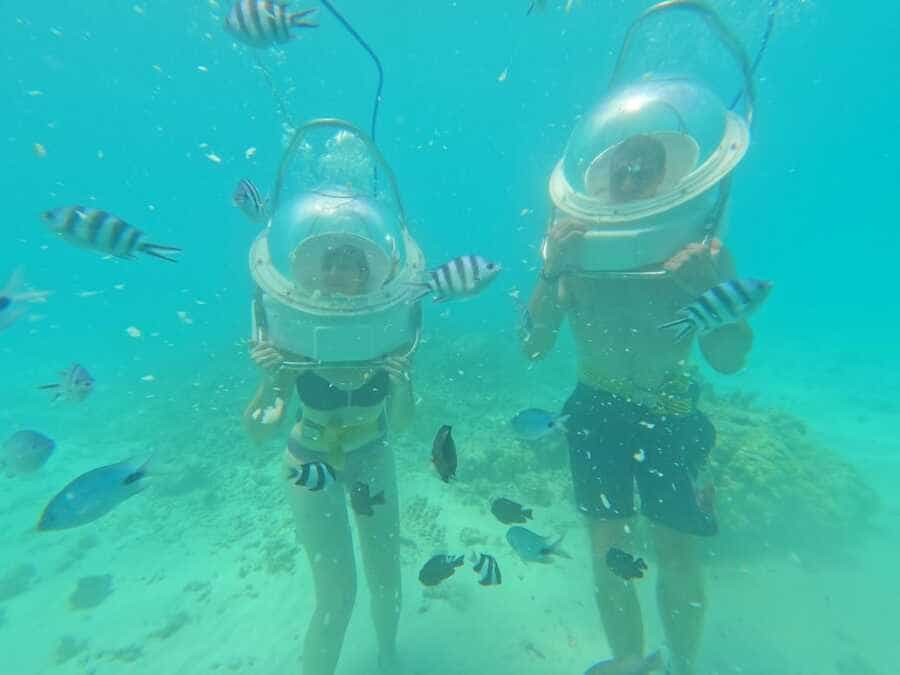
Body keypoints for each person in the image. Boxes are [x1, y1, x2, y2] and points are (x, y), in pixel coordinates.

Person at [522, 124, 755, 673]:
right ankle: (628, 663)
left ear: (668, 178)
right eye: (622, 167)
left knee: (677, 550)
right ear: (601, 180)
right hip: (596, 407)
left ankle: (681, 666)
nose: (630, 177)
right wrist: (552, 267)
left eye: (644, 166)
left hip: (670, 410)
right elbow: (533, 345)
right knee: (609, 552)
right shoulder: (572, 246)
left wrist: (706, 289)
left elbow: (729, 359)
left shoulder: (703, 251)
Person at [242, 119, 425, 675]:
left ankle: (389, 658)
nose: (343, 274)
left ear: (372, 273)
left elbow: (409, 423)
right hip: (309, 459)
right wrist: (273, 377)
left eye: (353, 264)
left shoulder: (391, 331)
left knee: (386, 578)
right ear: (315, 274)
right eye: (333, 264)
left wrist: (400, 379)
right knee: (336, 596)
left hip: (374, 453)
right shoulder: (292, 330)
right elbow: (257, 430)